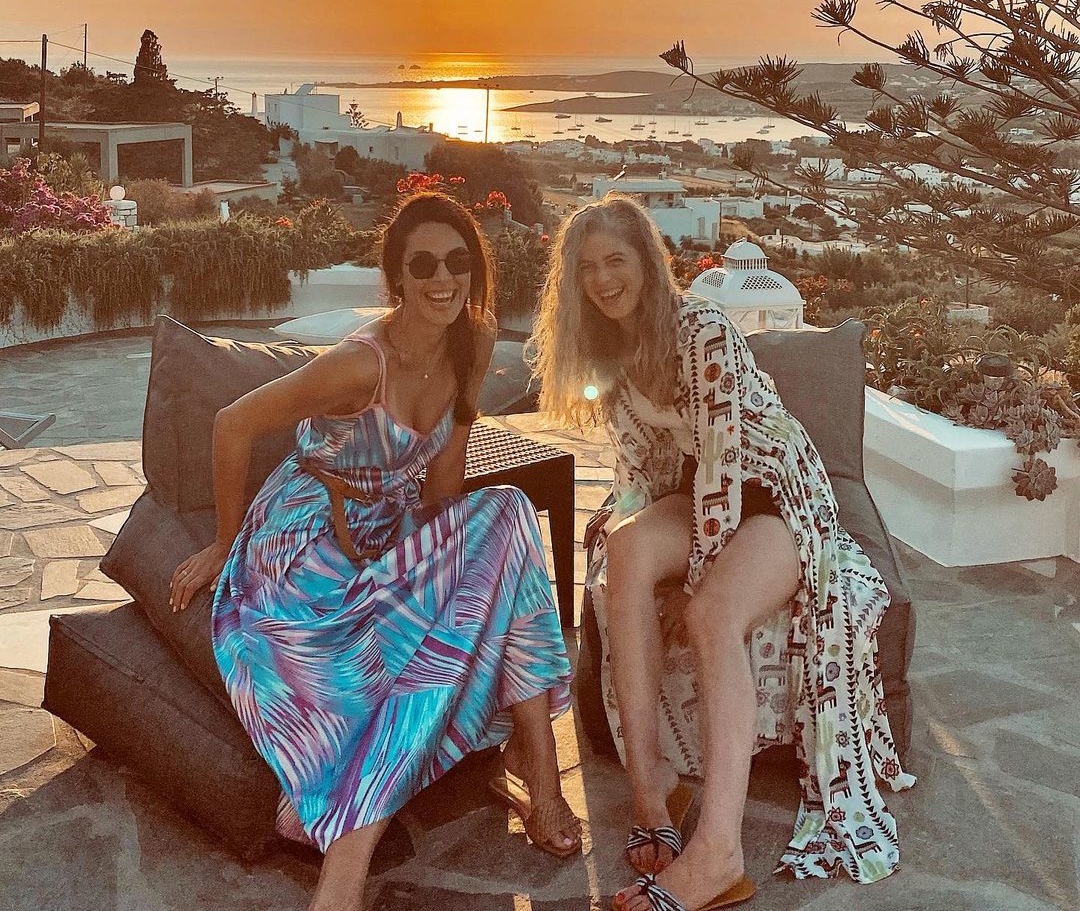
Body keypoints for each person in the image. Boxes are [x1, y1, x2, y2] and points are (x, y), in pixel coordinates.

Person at [169, 191, 580, 911]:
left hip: (386, 529)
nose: (442, 278)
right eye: (423, 265)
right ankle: (360, 866)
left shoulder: (473, 341)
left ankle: (536, 769)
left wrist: (454, 570)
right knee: (431, 625)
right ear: (397, 278)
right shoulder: (361, 365)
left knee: (507, 517)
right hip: (304, 543)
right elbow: (233, 424)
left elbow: (443, 484)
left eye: (457, 261)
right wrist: (224, 544)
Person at [531, 195, 914, 911]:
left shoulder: (702, 329)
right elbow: (645, 467)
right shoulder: (610, 352)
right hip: (701, 489)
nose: (604, 279)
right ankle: (651, 788)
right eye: (586, 269)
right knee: (625, 551)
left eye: (616, 260)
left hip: (774, 493)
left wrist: (696, 579)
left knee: (711, 615)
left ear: (648, 261)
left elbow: (723, 468)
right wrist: (627, 519)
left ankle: (718, 852)